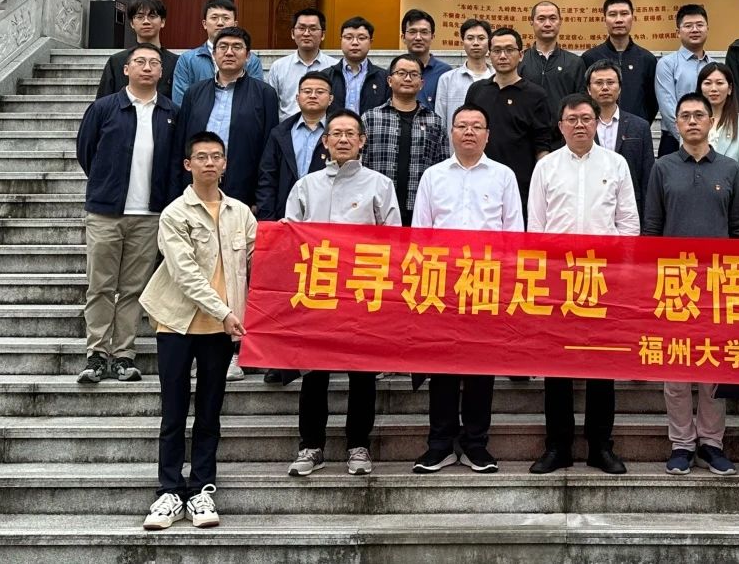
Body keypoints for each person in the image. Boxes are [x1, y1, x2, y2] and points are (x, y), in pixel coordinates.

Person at [140, 131, 257, 532]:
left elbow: (260, 260)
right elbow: (185, 273)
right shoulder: (175, 213)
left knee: (210, 410)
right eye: (202, 157)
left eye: (216, 156)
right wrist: (224, 311)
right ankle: (169, 491)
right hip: (177, 321)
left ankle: (202, 488)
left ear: (225, 164)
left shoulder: (241, 213)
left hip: (221, 328)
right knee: (174, 410)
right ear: (188, 164)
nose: (210, 163)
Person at [284, 108, 402, 478]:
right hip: (317, 291)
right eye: (336, 133)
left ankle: (358, 445)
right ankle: (311, 446)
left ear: (362, 141)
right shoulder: (306, 186)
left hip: (361, 292)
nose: (343, 139)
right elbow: (290, 238)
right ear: (325, 141)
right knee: (314, 373)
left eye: (351, 133)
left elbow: (393, 239)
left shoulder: (379, 184)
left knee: (361, 373)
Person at [527, 93, 639, 475]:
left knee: (601, 364)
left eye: (586, 118)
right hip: (558, 277)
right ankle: (558, 446)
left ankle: (599, 446)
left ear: (597, 123)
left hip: (602, 277)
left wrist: (623, 273)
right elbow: (536, 227)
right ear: (560, 126)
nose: (579, 125)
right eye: (572, 119)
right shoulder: (546, 168)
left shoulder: (616, 164)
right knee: (556, 364)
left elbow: (629, 224)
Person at [411, 104, 524, 474]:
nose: (469, 132)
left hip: (486, 283)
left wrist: (507, 284)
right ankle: (440, 444)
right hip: (441, 284)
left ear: (488, 135)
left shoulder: (503, 175)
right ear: (452, 133)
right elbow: (420, 233)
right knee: (441, 365)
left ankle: (476, 444)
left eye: (477, 126)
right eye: (462, 126)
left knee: (480, 367)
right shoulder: (433, 176)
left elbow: (514, 234)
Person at [642, 93, 739, 476]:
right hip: (674, 283)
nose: (691, 121)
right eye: (684, 115)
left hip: (719, 283)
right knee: (676, 370)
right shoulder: (663, 168)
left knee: (713, 368)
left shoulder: (730, 169)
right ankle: (682, 443)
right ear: (676, 124)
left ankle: (712, 443)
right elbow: (652, 228)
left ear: (710, 121)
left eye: (698, 115)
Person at [75, 43, 178, 384]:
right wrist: (106, 185)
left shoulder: (171, 112)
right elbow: (86, 151)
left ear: (162, 72)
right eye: (140, 62)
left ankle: (123, 355)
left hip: (149, 215)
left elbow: (175, 162)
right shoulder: (104, 108)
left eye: (154, 63)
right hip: (106, 212)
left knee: (134, 288)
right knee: (100, 285)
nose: (147, 68)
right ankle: (96, 353)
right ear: (126, 69)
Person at [174, 26, 280, 210]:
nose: (229, 52)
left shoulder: (265, 94)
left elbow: (268, 150)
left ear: (248, 55)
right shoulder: (194, 92)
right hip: (196, 187)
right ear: (214, 54)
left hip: (243, 190)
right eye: (223, 47)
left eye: (237, 47)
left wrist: (261, 199)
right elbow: (180, 144)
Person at [465, 28, 551, 217]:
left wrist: (542, 187)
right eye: (497, 50)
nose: (503, 56)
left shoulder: (536, 95)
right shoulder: (477, 90)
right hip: (479, 183)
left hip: (520, 186)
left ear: (521, 55)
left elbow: (542, 146)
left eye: (509, 50)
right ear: (489, 55)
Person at [361, 54, 449, 226]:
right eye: (401, 73)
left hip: (419, 210)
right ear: (389, 80)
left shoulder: (435, 122)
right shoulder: (370, 119)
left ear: (421, 83)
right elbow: (361, 165)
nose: (408, 79)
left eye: (414, 74)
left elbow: (442, 170)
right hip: (377, 207)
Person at [255, 70, 332, 223]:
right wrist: (268, 219)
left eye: (320, 92)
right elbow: (267, 178)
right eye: (307, 91)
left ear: (330, 99)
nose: (313, 96)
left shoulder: (338, 134)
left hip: (326, 217)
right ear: (297, 98)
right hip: (285, 216)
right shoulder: (280, 133)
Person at [587, 59, 654, 216]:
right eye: (598, 83)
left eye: (610, 82)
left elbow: (647, 177)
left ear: (620, 88)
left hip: (630, 207)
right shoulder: (580, 126)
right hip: (590, 207)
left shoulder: (640, 127)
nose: (605, 88)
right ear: (589, 89)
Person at [697, 62, 739, 232]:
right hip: (697, 205)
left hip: (730, 205)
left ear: (730, 88)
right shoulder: (691, 122)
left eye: (720, 83)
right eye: (707, 83)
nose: (713, 89)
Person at [580, 0, 658, 124]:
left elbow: (652, 102)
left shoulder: (647, 59)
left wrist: (640, 125)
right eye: (612, 15)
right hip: (598, 129)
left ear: (632, 18)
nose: (619, 20)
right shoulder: (589, 58)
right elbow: (584, 97)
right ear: (604, 20)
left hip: (635, 130)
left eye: (624, 14)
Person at [172, 0, 263, 104]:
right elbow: (180, 102)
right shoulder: (187, 60)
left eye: (226, 18)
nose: (220, 23)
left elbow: (256, 97)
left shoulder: (251, 60)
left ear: (235, 24)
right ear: (204, 24)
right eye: (214, 18)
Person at [654, 4, 713, 157]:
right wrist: (689, 139)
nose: (695, 30)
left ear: (707, 29)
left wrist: (709, 138)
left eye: (700, 25)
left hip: (712, 140)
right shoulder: (667, 64)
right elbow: (668, 108)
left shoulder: (715, 66)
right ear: (678, 32)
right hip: (674, 141)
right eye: (688, 26)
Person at [95, 0, 179, 101]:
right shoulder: (117, 61)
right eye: (139, 17)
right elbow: (103, 102)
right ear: (132, 23)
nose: (146, 21)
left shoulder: (176, 62)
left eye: (152, 16)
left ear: (162, 22)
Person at [520, 0, 586, 134]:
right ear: (531, 21)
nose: (547, 24)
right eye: (541, 19)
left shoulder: (574, 63)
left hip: (563, 137)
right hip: (525, 136)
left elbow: (582, 104)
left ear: (560, 21)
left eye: (552, 18)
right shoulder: (520, 60)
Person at [266, 8, 338, 120]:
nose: (306, 33)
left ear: (323, 35)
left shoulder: (335, 66)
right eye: (301, 28)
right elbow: (270, 105)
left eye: (313, 29)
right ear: (292, 33)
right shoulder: (279, 67)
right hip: (288, 128)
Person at [433, 17, 493, 133]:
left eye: (481, 38)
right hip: (456, 144)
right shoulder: (447, 79)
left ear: (489, 42)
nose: (476, 43)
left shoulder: (498, 78)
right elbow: (440, 121)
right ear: (462, 42)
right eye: (470, 38)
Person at [326, 16, 390, 115]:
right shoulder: (326, 76)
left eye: (361, 38)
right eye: (348, 38)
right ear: (341, 40)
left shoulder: (384, 78)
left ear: (370, 42)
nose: (355, 43)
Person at [400, 8, 451, 110]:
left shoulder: (446, 73)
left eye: (424, 32)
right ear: (403, 37)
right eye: (412, 32)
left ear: (432, 37)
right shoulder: (394, 72)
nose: (418, 37)